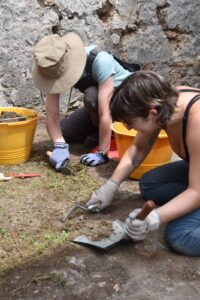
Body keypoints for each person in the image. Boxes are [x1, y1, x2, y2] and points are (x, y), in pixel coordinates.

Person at [87, 70, 200, 256]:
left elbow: (197, 192)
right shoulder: (166, 103)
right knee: (150, 184)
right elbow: (137, 151)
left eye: (130, 122)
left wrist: (154, 218)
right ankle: (185, 204)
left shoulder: (197, 120)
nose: (129, 128)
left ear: (152, 111)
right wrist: (111, 185)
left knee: (181, 235)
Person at [32, 33, 138, 170]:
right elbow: (51, 117)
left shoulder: (100, 60)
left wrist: (102, 152)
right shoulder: (53, 67)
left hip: (125, 105)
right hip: (99, 106)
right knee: (64, 132)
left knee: (91, 96)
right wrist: (59, 144)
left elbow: (105, 113)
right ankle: (100, 131)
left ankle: (110, 135)